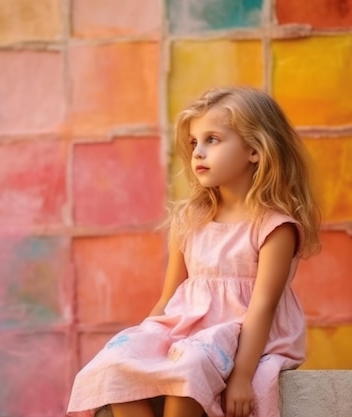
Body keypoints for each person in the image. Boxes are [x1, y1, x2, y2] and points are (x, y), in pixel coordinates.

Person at [67, 87, 321, 417]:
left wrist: (242, 377)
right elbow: (169, 297)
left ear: (255, 150)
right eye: (194, 143)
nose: (198, 152)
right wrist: (145, 342)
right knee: (117, 362)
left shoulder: (274, 227)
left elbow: (262, 307)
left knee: (188, 374)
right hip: (186, 333)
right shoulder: (189, 221)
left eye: (212, 139)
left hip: (238, 335)